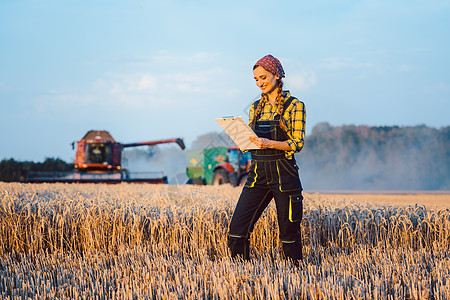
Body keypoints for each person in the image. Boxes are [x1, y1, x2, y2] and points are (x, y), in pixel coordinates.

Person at [227, 54, 306, 264]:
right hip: (257, 176)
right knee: (236, 232)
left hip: (285, 176)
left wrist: (269, 143)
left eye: (263, 77)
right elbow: (255, 141)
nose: (259, 83)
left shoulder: (295, 105)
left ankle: (295, 279)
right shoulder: (256, 107)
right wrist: (246, 143)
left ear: (277, 76)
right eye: (256, 79)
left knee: (289, 237)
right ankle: (241, 278)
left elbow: (297, 144)